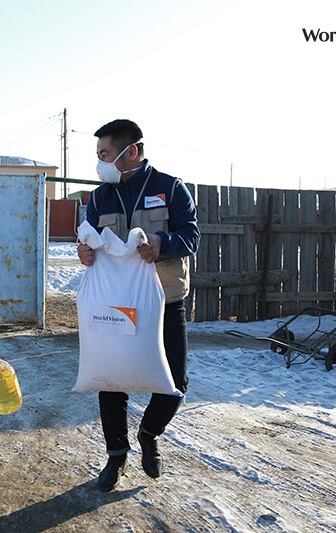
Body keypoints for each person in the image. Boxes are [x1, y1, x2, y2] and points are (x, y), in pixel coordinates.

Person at [77, 119, 200, 491]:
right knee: (111, 380)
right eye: (98, 155)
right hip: (114, 305)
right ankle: (116, 458)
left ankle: (149, 433)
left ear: (131, 151)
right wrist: (84, 251)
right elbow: (88, 238)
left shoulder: (171, 189)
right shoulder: (100, 197)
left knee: (175, 381)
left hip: (164, 301)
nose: (100, 162)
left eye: (105, 154)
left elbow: (191, 235)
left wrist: (163, 243)